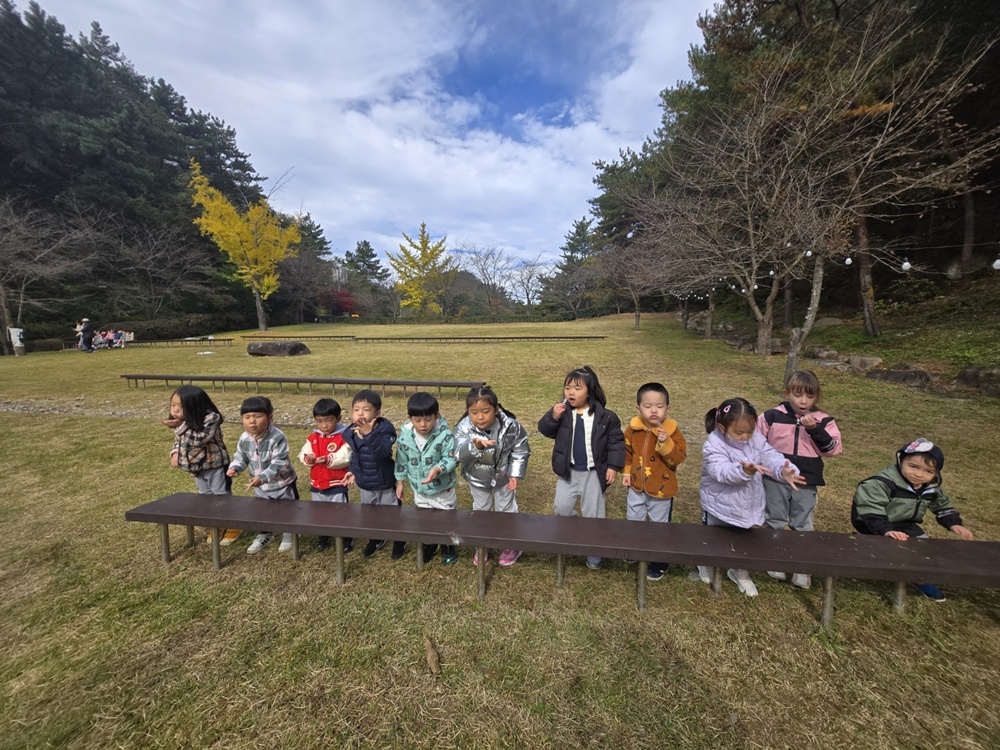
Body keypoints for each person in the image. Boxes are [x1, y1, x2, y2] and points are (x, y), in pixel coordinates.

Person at [696, 398, 805, 597]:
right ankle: (706, 564)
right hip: (718, 504)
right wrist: (744, 471)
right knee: (712, 539)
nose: (746, 436)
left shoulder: (755, 439)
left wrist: (783, 470)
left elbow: (770, 456)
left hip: (744, 504)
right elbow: (720, 471)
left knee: (741, 540)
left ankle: (738, 570)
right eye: (739, 432)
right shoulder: (713, 444)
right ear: (722, 427)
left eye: (750, 430)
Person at [852, 438, 974, 602]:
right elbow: (870, 508)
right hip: (871, 521)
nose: (919, 474)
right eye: (913, 467)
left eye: (928, 471)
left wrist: (954, 523)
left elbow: (942, 505)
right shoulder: (881, 482)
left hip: (905, 522)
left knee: (923, 548)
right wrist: (886, 530)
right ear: (900, 460)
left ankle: (918, 574)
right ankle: (918, 579)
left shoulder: (930, 487)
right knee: (897, 550)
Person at [757, 370, 843, 589]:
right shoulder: (771, 416)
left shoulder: (823, 420)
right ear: (787, 393)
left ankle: (801, 565)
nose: (804, 401)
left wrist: (815, 430)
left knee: (802, 521)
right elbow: (756, 444)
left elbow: (833, 449)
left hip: (806, 480)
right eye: (798, 395)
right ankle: (775, 558)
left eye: (810, 396)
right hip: (775, 477)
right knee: (775, 517)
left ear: (816, 397)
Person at [538, 365, 625, 571]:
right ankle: (574, 534)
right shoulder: (563, 412)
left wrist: (613, 466)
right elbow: (544, 430)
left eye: (577, 388)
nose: (571, 392)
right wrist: (553, 417)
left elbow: (616, 442)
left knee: (593, 514)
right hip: (568, 473)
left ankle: (594, 554)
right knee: (561, 508)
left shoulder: (606, 417)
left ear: (590, 391)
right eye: (568, 387)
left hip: (593, 474)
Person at [454, 385, 531, 566]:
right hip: (478, 478)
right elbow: (458, 453)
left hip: (503, 477)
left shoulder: (511, 426)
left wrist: (515, 474)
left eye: (486, 411)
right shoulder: (464, 428)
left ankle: (511, 544)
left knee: (506, 509)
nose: (480, 417)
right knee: (481, 510)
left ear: (496, 409)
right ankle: (482, 544)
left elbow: (520, 449)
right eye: (474, 412)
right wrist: (476, 447)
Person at [622, 382, 687, 581]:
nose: (653, 411)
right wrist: (625, 472)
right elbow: (627, 454)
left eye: (659, 406)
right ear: (638, 408)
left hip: (662, 489)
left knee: (659, 526)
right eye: (648, 406)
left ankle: (659, 561)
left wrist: (665, 443)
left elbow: (679, 457)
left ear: (667, 409)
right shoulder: (633, 429)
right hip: (636, 486)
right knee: (634, 520)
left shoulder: (672, 431)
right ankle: (635, 550)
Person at [161, 385, 239, 545]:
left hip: (215, 466)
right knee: (206, 497)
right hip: (197, 468)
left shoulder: (211, 418)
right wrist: (175, 453)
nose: (175, 410)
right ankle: (216, 525)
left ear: (195, 406)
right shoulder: (182, 423)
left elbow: (199, 439)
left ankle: (232, 526)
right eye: (172, 405)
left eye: (180, 406)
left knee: (221, 496)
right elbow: (179, 440)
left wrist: (179, 427)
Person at [226, 396, 299, 555]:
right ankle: (265, 534)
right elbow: (241, 457)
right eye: (247, 417)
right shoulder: (244, 438)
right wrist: (235, 468)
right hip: (259, 485)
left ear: (270, 418)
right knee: (263, 510)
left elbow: (280, 463)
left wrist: (262, 478)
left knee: (288, 509)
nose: (252, 421)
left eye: (257, 416)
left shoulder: (277, 437)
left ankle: (290, 533)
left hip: (282, 483)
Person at [394, 392, 459, 564]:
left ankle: (447, 545)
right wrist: (400, 482)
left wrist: (439, 468)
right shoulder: (405, 437)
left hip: (442, 488)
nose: (423, 425)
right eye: (417, 420)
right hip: (419, 489)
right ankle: (429, 544)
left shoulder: (444, 435)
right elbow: (401, 459)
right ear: (410, 418)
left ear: (436, 416)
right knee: (424, 518)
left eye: (428, 419)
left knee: (446, 518)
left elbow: (452, 458)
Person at [342, 389, 400, 558]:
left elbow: (382, 452)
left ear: (377, 413)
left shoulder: (385, 430)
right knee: (369, 513)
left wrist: (369, 433)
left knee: (392, 513)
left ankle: (398, 540)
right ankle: (375, 538)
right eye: (356, 409)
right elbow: (356, 455)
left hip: (384, 481)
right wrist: (352, 471)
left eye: (366, 409)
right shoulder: (352, 432)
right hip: (365, 482)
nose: (360, 413)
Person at [298, 398, 352, 552]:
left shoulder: (343, 437)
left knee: (340, 514)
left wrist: (328, 459)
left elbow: (345, 457)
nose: (324, 425)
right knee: (320, 513)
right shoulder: (313, 437)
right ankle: (323, 538)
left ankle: (346, 540)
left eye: (329, 420)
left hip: (336, 483)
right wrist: (307, 458)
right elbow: (304, 452)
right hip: (317, 484)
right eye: (320, 421)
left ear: (339, 418)